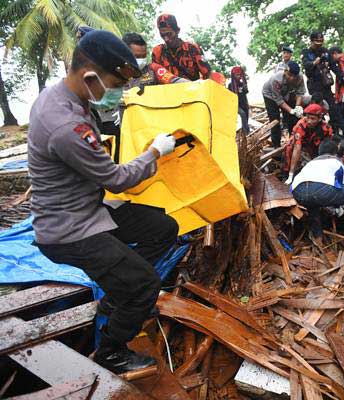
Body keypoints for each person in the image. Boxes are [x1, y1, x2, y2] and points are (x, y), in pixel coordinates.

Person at [28, 30, 179, 374]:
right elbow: (117, 178)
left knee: (163, 228)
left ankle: (118, 295)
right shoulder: (65, 124)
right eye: (114, 85)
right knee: (145, 284)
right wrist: (155, 152)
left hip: (89, 208)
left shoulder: (64, 98)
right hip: (69, 229)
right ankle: (112, 350)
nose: (117, 93)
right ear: (91, 76)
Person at [291, 139, 344, 247]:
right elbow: (342, 188)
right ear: (335, 152)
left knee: (313, 206)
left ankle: (318, 240)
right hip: (322, 189)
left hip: (298, 191)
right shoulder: (337, 162)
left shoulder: (311, 163)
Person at [301, 32, 343, 136]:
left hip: (326, 84)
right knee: (316, 109)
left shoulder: (325, 51)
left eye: (321, 42)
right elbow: (306, 65)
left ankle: (335, 132)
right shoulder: (306, 52)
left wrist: (342, 76)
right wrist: (314, 63)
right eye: (317, 42)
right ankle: (318, 132)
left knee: (333, 109)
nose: (319, 44)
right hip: (314, 85)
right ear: (311, 41)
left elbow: (333, 66)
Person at [152, 14, 211, 81]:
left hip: (191, 90)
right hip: (167, 91)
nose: (166, 39)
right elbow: (155, 77)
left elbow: (208, 74)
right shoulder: (157, 52)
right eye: (162, 35)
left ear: (177, 31)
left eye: (169, 34)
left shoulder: (192, 48)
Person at [284, 103, 333, 183]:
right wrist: (291, 174)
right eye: (307, 117)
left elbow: (328, 148)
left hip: (314, 145)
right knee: (289, 146)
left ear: (320, 118)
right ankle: (287, 172)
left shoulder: (326, 129)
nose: (309, 121)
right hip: (301, 142)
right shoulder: (301, 125)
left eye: (313, 119)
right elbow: (297, 147)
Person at [262, 61, 306, 148]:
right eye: (290, 75)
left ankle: (292, 142)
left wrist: (297, 107)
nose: (292, 78)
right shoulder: (276, 79)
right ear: (285, 71)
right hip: (270, 96)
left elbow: (300, 93)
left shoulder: (300, 77)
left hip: (286, 94)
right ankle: (276, 146)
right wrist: (291, 110)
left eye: (294, 76)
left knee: (291, 119)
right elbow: (279, 100)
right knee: (275, 121)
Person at [228, 65, 250, 134]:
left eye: (240, 75)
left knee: (246, 115)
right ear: (234, 75)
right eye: (237, 75)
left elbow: (245, 93)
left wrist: (245, 86)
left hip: (243, 103)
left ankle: (244, 131)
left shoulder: (242, 84)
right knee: (243, 114)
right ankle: (247, 132)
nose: (239, 76)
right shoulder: (230, 85)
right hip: (236, 105)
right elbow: (230, 97)